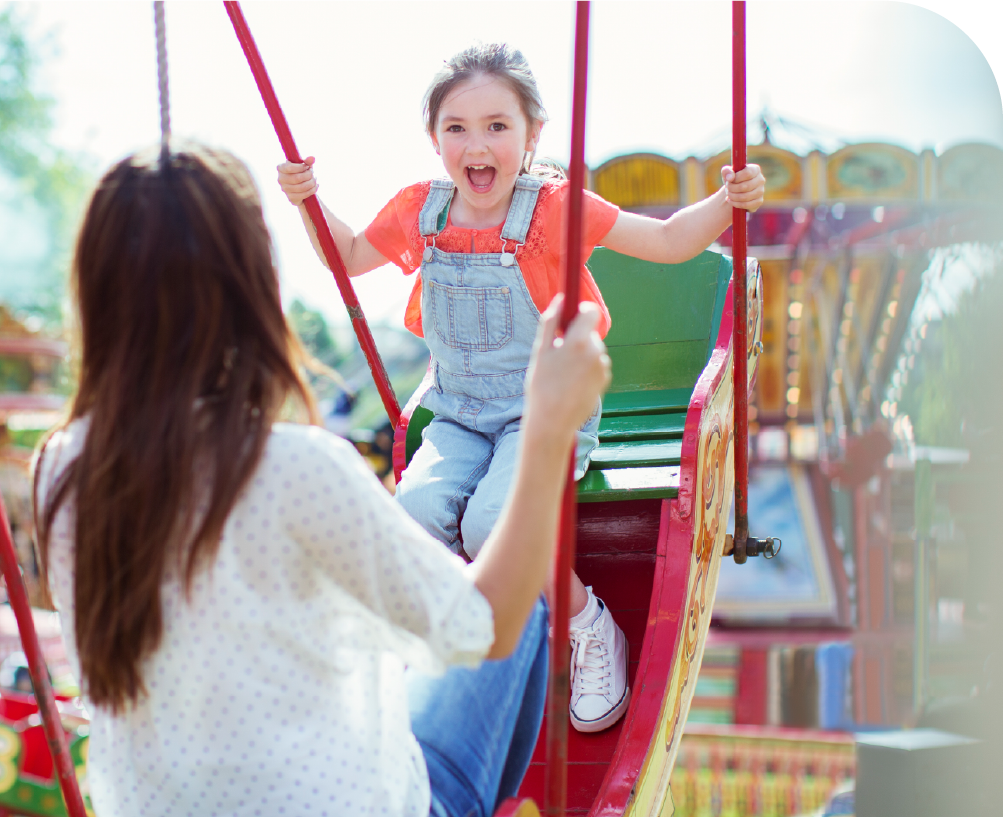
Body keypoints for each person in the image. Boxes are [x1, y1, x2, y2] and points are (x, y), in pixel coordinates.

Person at [31, 144, 610, 817]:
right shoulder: (292, 466)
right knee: (526, 609)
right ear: (252, 284)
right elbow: (484, 626)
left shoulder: (60, 469)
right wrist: (548, 426)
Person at [276, 43, 765, 731]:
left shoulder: (554, 209)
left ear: (532, 134)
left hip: (544, 413)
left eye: (496, 126)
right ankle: (456, 643)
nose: (476, 145)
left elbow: (664, 243)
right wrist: (308, 202)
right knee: (410, 514)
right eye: (456, 128)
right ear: (434, 138)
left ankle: (586, 622)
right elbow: (348, 255)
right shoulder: (423, 208)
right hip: (454, 411)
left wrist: (724, 202)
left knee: (487, 522)